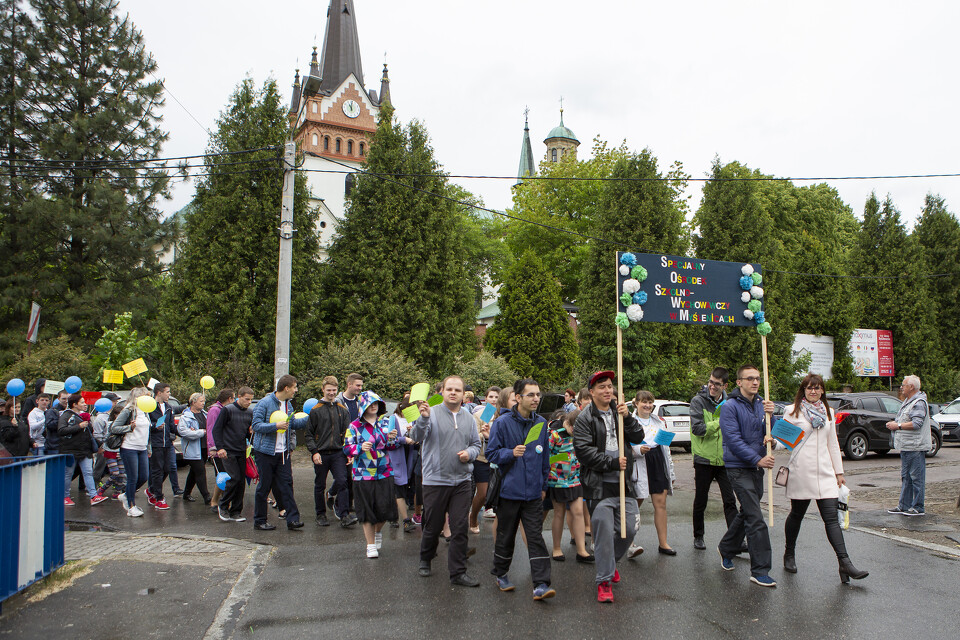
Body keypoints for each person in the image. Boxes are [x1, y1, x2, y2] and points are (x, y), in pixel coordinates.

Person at [782, 374, 868, 583]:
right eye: (809, 388)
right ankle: (789, 553)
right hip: (802, 471)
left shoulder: (829, 412)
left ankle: (844, 563)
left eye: (817, 388)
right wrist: (770, 439)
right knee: (797, 515)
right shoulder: (792, 411)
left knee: (831, 519)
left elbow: (833, 444)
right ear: (803, 390)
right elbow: (784, 441)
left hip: (825, 474)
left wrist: (839, 473)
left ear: (822, 391)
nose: (813, 391)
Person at [573, 371, 645, 603]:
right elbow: (583, 451)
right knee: (603, 532)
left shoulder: (620, 412)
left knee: (630, 530)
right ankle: (604, 581)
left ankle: (610, 562)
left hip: (624, 484)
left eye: (610, 386)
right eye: (602, 386)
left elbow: (638, 436)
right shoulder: (585, 418)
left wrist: (629, 417)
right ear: (591, 392)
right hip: (599, 486)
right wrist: (611, 463)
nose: (607, 390)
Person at [485, 378, 555, 600]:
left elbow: (545, 458)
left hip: (533, 493)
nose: (536, 399)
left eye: (538, 395)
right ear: (517, 397)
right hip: (509, 492)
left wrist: (543, 486)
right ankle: (501, 574)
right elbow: (491, 454)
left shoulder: (541, 423)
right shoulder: (502, 423)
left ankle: (541, 584)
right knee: (506, 536)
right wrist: (510, 453)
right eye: (531, 395)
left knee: (535, 537)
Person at [408, 375, 482, 587]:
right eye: (449, 389)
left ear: (462, 394)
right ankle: (426, 557)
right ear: (442, 391)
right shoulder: (430, 413)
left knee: (459, 526)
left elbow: (477, 445)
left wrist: (469, 453)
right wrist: (422, 418)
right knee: (432, 525)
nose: (453, 393)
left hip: (462, 481)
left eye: (457, 390)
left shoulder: (469, 418)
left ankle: (458, 572)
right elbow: (416, 436)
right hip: (435, 480)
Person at [717, 364, 777, 588]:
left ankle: (726, 547)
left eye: (758, 379)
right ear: (738, 382)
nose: (755, 382)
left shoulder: (763, 405)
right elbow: (732, 439)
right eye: (749, 378)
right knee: (755, 517)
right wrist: (756, 459)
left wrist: (772, 417)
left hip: (757, 467)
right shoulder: (729, 407)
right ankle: (760, 570)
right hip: (738, 467)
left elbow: (771, 432)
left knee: (747, 512)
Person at [343, 391, 399, 557]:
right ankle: (370, 545)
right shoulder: (354, 426)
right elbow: (346, 448)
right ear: (363, 407)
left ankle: (376, 533)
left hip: (384, 471)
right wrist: (360, 448)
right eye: (370, 404)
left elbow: (392, 447)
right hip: (363, 473)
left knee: (386, 510)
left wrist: (392, 439)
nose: (373, 406)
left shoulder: (386, 422)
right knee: (367, 511)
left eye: (376, 404)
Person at [250, 375, 309, 531]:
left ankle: (292, 520)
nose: (296, 390)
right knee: (264, 486)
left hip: (283, 453)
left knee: (287, 485)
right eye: (295, 387)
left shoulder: (288, 405)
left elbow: (292, 423)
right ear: (286, 388)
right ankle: (259, 520)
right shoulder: (264, 403)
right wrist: (275, 426)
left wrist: (311, 418)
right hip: (265, 453)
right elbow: (256, 426)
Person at [689, 367, 738, 551]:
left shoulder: (730, 403)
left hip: (724, 460)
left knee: (730, 501)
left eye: (717, 384)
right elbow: (698, 429)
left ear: (725, 385)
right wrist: (720, 422)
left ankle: (734, 539)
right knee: (701, 500)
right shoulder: (697, 401)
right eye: (711, 382)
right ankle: (698, 536)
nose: (712, 386)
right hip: (704, 459)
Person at [304, 376, 356, 527]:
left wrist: (349, 452)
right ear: (323, 390)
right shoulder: (315, 410)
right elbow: (308, 435)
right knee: (319, 484)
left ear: (337, 390)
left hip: (338, 453)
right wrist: (314, 452)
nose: (331, 393)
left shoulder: (342, 410)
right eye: (329, 390)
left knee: (342, 482)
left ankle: (344, 515)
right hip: (321, 453)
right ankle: (320, 514)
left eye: (334, 390)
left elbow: (348, 433)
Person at [630, 390, 676, 557]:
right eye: (644, 402)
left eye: (650, 402)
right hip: (639, 462)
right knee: (635, 504)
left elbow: (666, 449)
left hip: (657, 461)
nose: (647, 405)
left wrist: (671, 472)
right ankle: (629, 542)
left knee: (661, 504)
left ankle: (663, 543)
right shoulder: (629, 421)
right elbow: (625, 446)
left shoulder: (659, 421)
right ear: (636, 403)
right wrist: (637, 449)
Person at [548, 409, 592, 562]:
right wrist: (562, 458)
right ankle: (556, 548)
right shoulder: (555, 435)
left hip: (575, 480)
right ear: (566, 422)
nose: (574, 431)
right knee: (559, 513)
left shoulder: (581, 436)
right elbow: (546, 458)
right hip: (557, 481)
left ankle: (581, 550)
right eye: (573, 427)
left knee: (578, 511)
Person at [886, 375, 931, 517]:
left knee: (916, 477)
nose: (901, 388)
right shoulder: (908, 401)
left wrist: (897, 425)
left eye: (903, 385)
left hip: (915, 446)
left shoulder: (918, 402)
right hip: (907, 445)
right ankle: (904, 505)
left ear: (911, 387)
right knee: (906, 477)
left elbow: (916, 423)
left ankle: (918, 507)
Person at [213, 387, 255, 523]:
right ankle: (223, 506)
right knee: (234, 478)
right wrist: (220, 448)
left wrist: (250, 432)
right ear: (239, 396)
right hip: (227, 450)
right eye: (246, 399)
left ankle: (236, 511)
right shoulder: (228, 409)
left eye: (251, 400)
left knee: (241, 481)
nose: (249, 402)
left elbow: (247, 433)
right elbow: (216, 429)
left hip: (241, 449)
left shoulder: (250, 412)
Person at [58, 393, 109, 507]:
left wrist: (99, 445)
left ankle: (93, 495)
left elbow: (88, 434)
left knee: (88, 472)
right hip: (71, 450)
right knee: (68, 474)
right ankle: (65, 496)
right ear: (74, 404)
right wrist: (79, 426)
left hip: (85, 450)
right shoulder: (66, 415)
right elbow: (61, 430)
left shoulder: (82, 416)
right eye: (81, 402)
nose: (84, 404)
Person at [113, 388, 151, 516]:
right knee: (132, 478)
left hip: (142, 448)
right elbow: (114, 427)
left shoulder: (146, 411)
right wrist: (129, 427)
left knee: (144, 476)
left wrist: (148, 447)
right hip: (129, 447)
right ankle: (131, 506)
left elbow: (147, 431)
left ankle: (126, 495)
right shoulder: (128, 410)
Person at [146, 383, 184, 510]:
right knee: (157, 470)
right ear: (159, 393)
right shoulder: (150, 407)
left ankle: (151, 489)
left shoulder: (168, 407)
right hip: (156, 443)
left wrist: (183, 433)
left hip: (167, 443)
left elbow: (172, 426)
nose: (169, 394)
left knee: (168, 468)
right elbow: (146, 424)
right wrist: (154, 426)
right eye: (167, 392)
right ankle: (159, 498)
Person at [468, 386, 500, 532]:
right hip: (482, 458)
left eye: (496, 397)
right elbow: (473, 438)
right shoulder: (480, 414)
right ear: (485, 398)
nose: (494, 400)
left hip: (498, 459)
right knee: (482, 493)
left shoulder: (502, 415)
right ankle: (473, 518)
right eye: (491, 397)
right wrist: (484, 434)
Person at [385, 397, 417, 532]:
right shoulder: (393, 418)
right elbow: (389, 439)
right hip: (396, 457)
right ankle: (403, 519)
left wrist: (412, 432)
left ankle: (396, 518)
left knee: (402, 487)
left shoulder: (413, 419)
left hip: (409, 455)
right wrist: (404, 439)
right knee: (398, 488)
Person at [178, 393, 212, 505]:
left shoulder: (205, 415)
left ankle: (186, 493)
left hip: (203, 447)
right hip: (192, 449)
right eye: (201, 401)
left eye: (204, 401)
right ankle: (206, 496)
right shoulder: (186, 416)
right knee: (201, 471)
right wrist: (200, 432)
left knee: (194, 471)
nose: (203, 403)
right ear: (193, 402)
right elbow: (183, 432)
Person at [206, 389, 234, 511]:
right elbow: (211, 429)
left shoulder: (226, 410)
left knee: (226, 475)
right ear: (229, 399)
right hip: (218, 448)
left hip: (227, 446)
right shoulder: (215, 410)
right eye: (233, 398)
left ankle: (223, 501)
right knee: (222, 476)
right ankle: (215, 501)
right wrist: (213, 447)